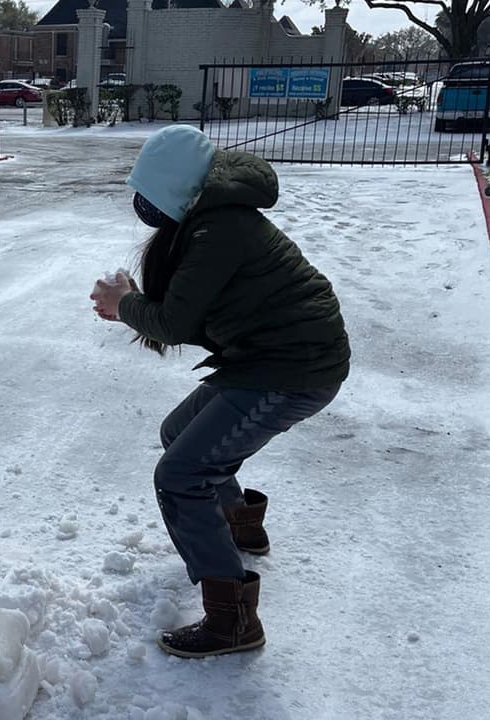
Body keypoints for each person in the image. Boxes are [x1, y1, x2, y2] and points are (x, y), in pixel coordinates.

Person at [90, 125, 350, 659]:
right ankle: (241, 528)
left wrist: (126, 306)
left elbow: (177, 322)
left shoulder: (218, 229)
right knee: (178, 434)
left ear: (175, 191)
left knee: (181, 475)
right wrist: (137, 304)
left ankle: (232, 621)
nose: (141, 206)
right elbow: (183, 311)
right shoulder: (210, 220)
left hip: (290, 369)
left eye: (149, 195)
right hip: (267, 360)